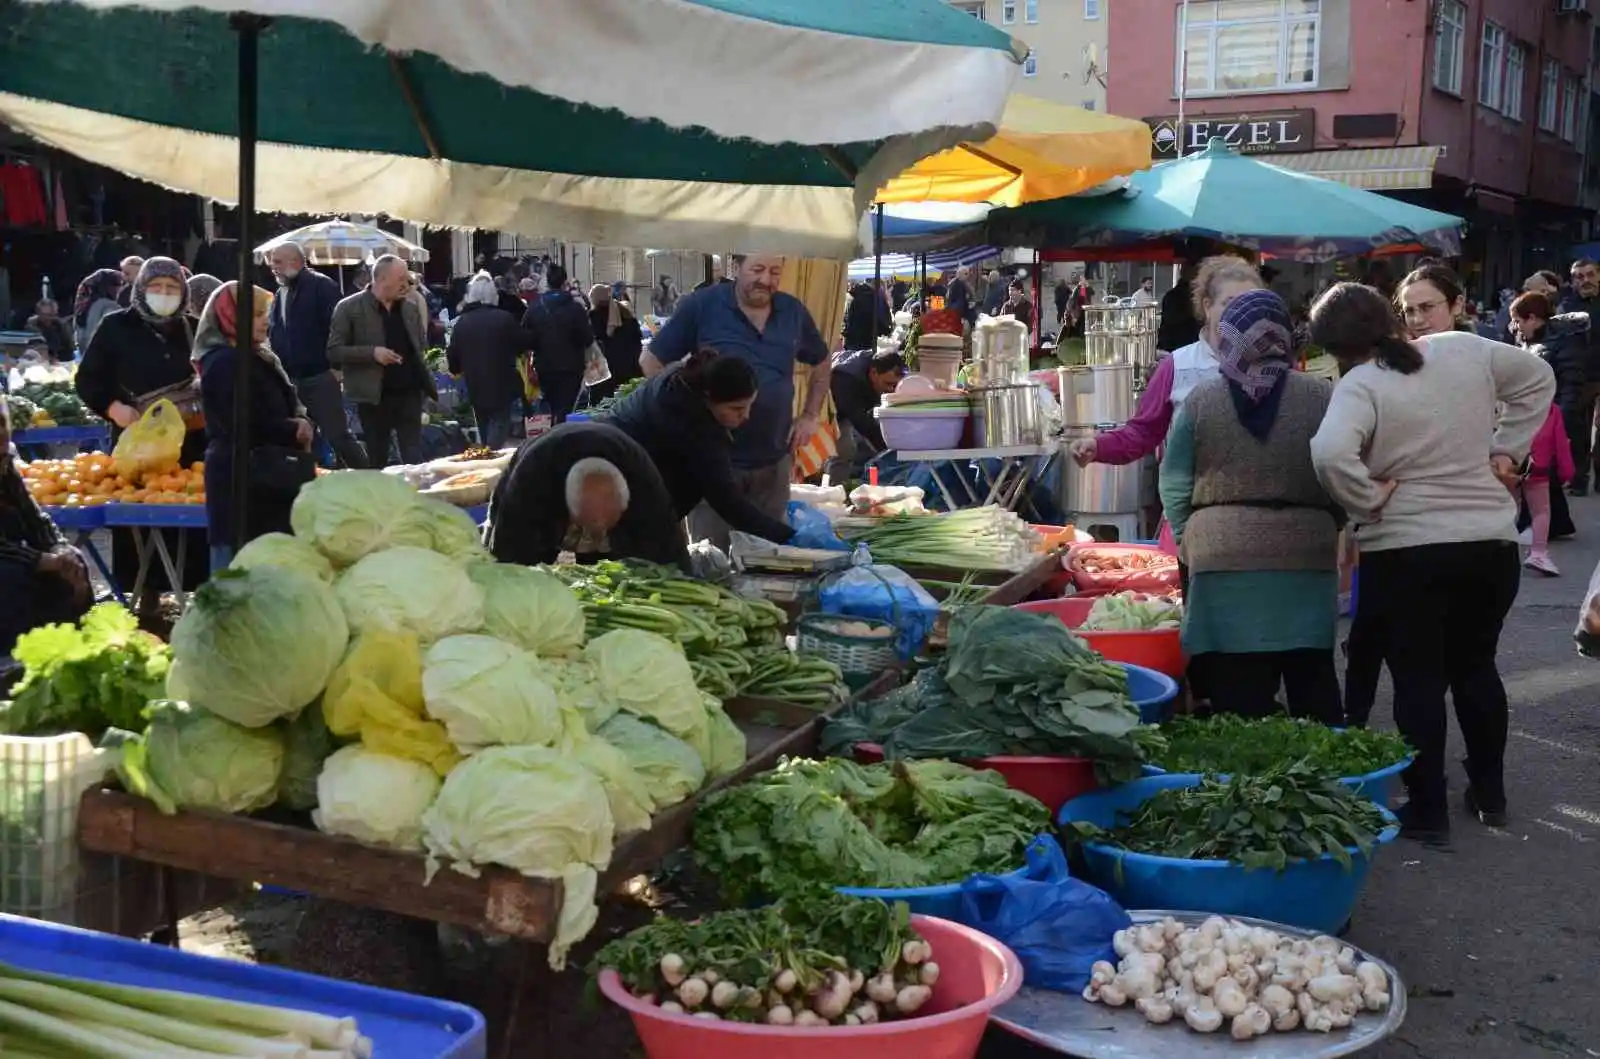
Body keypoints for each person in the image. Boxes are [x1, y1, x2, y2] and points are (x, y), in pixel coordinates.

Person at [1308, 282, 1556, 841]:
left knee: (1419, 680)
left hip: (1407, 550)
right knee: (1476, 667)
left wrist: (1367, 499)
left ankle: (1427, 810)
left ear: (1340, 346)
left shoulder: (1359, 384)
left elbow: (1327, 453)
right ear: (1388, 315)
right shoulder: (1464, 349)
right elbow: (1539, 379)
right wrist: (1507, 448)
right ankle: (1490, 794)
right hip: (1490, 543)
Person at [1159, 289, 1341, 722]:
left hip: (1221, 558)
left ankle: (1244, 782)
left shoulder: (1202, 400)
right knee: (1311, 682)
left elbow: (1174, 478)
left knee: (1238, 699)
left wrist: (1189, 535)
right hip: (1306, 555)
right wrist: (1333, 521)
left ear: (1227, 338)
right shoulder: (1322, 398)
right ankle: (1332, 783)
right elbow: (1341, 469)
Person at [643, 253, 830, 548]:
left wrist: (810, 415)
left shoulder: (792, 311)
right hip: (715, 465)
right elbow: (650, 361)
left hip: (774, 463)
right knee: (712, 560)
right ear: (735, 267)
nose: (766, 280)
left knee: (770, 558)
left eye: (774, 272)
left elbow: (821, 362)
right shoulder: (703, 305)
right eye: (757, 269)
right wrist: (687, 419)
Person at [77, 256, 209, 602]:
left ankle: (190, 589)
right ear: (140, 290)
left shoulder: (194, 327)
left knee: (187, 508)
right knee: (138, 510)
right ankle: (142, 592)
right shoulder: (115, 326)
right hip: (135, 441)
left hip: (190, 441)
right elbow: (88, 378)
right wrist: (111, 407)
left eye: (172, 288)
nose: (164, 294)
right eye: (156, 287)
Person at [1070, 256, 1262, 469]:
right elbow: (1143, 432)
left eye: (1248, 304)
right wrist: (1098, 446)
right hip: (1195, 497)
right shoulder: (1177, 365)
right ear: (1208, 307)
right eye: (1229, 303)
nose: (1240, 311)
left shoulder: (1274, 364)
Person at [598, 347, 798, 543]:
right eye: (736, 408)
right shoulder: (690, 422)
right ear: (708, 397)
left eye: (749, 406)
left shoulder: (685, 378)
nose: (746, 416)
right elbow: (727, 501)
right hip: (615, 486)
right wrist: (789, 537)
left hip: (626, 467)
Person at [194, 281, 313, 568]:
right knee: (236, 571)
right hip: (239, 479)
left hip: (260, 477)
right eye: (256, 314)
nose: (265, 321)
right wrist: (291, 428)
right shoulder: (225, 363)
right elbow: (240, 421)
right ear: (230, 315)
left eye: (265, 313)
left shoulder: (254, 356)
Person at [483, 422, 689, 568]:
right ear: (569, 510)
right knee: (509, 559)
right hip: (539, 462)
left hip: (617, 451)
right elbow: (510, 555)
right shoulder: (532, 479)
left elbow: (668, 548)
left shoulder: (642, 478)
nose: (593, 539)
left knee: (632, 556)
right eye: (585, 529)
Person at [0, 400, 91, 657]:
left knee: (73, 563)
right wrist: (40, 560)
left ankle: (73, 651)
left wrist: (59, 548)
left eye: (2, 426)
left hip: (15, 556)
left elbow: (35, 519)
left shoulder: (5, 465)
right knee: (11, 576)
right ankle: (12, 662)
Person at [328, 254, 435, 468]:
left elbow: (420, 346)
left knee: (413, 458)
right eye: (401, 278)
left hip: (409, 392)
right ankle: (381, 500)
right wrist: (372, 353)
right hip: (373, 396)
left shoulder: (409, 307)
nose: (407, 283)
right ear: (382, 279)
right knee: (378, 458)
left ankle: (413, 498)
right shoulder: (349, 308)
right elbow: (334, 351)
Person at [267, 242, 366, 470]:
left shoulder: (321, 286)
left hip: (319, 374)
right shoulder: (280, 293)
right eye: (273, 262)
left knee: (337, 435)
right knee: (299, 438)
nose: (273, 267)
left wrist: (336, 366)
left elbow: (338, 328)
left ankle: (367, 475)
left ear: (296, 262)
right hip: (291, 379)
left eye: (278, 262)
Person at [447, 272, 531, 450]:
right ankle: (490, 456)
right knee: (499, 424)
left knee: (484, 424)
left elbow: (453, 358)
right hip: (502, 382)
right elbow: (523, 344)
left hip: (475, 383)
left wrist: (457, 369)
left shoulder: (462, 322)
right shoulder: (504, 318)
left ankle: (487, 454)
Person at [520, 263, 595, 423]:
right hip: (572, 367)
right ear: (564, 283)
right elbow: (587, 339)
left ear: (547, 283)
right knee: (566, 407)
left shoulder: (535, 308)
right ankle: (560, 435)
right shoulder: (576, 309)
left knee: (551, 405)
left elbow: (525, 339)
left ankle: (553, 433)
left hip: (545, 366)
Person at [827, 348, 905, 482]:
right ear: (874, 373)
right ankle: (833, 490)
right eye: (888, 384)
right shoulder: (846, 380)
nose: (891, 390)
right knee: (845, 448)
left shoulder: (878, 366)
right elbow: (863, 423)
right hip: (827, 405)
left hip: (854, 403)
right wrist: (888, 450)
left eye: (895, 386)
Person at [1560, 258, 1600, 494]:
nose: (1586, 280)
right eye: (1579, 276)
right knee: (1578, 432)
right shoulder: (1566, 306)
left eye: (1590, 274)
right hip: (1578, 378)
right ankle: (1579, 479)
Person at [586, 284, 644, 405]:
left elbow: (589, 341)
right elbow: (638, 339)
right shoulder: (627, 314)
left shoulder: (593, 316)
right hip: (630, 368)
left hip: (605, 371)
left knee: (603, 406)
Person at [72, 268, 124, 352]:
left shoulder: (83, 307)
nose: (120, 288)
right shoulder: (108, 306)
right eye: (118, 284)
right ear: (107, 285)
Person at [841, 282, 891, 352]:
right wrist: (886, 331)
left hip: (855, 341)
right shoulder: (876, 298)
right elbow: (882, 317)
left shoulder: (854, 301)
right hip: (870, 340)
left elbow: (848, 321)